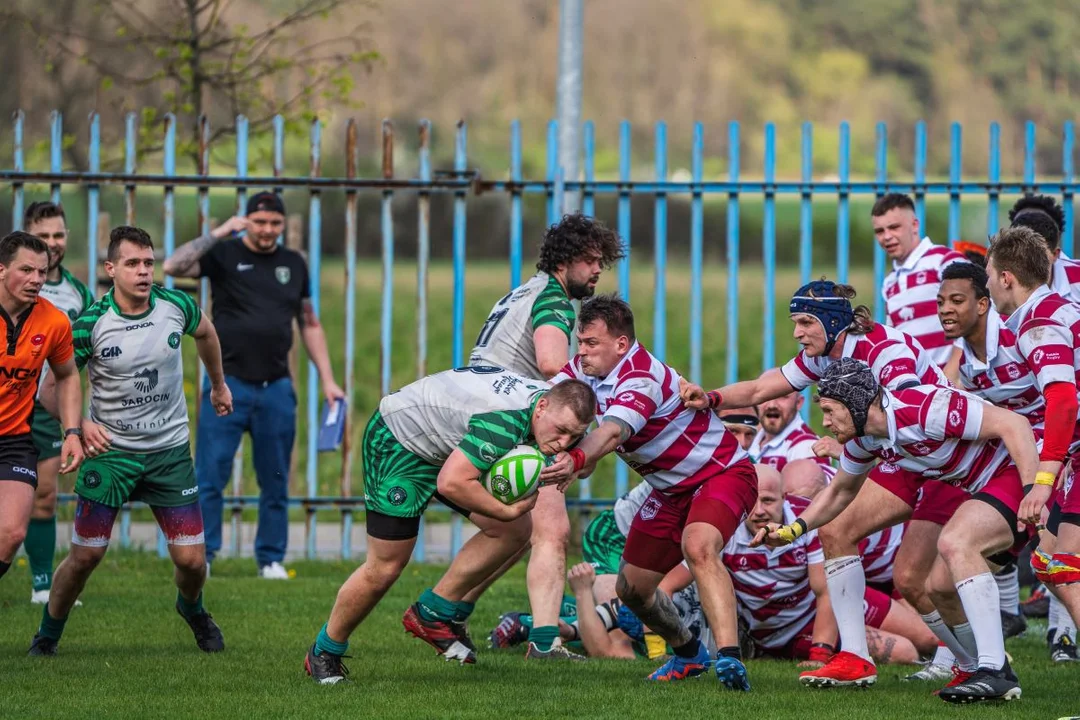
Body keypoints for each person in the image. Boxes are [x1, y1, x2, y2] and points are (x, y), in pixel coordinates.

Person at [754, 358, 1039, 703]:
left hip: (1014, 475)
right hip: (975, 487)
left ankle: (994, 671)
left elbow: (1016, 423)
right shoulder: (865, 439)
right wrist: (790, 531)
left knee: (956, 542)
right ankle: (974, 667)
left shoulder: (923, 408)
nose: (825, 423)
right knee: (933, 586)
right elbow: (840, 492)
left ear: (855, 405)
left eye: (830, 411)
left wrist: (1032, 491)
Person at [303, 369, 595, 684]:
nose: (564, 441)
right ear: (541, 409)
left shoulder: (549, 404)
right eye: (561, 431)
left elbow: (587, 462)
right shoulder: (505, 422)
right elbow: (452, 483)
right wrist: (504, 510)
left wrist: (575, 459)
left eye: (574, 435)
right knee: (385, 567)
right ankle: (324, 651)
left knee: (516, 532)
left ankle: (432, 612)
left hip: (445, 445)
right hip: (399, 442)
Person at [28, 226, 233, 656]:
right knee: (85, 556)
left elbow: (208, 334)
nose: (143, 272)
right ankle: (47, 636)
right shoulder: (90, 323)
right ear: (110, 269)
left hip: (169, 453)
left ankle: (192, 608)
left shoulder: (176, 304)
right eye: (132, 264)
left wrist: (218, 385)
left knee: (193, 563)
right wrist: (80, 425)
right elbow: (51, 388)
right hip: (111, 454)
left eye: (148, 263)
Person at [540, 295, 758, 690]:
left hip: (723, 474)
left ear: (621, 345)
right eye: (580, 341)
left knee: (699, 545)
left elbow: (612, 432)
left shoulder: (642, 376)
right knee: (632, 589)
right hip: (670, 490)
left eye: (592, 343)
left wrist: (574, 459)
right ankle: (689, 653)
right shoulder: (582, 370)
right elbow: (540, 403)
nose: (582, 351)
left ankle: (729, 659)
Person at [464, 213, 623, 659]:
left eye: (601, 263)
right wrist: (586, 420)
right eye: (591, 261)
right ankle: (545, 644)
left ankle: (449, 613)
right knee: (551, 531)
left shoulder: (525, 290)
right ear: (565, 260)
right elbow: (554, 366)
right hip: (508, 421)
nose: (597, 271)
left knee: (514, 532)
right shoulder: (552, 301)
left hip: (484, 413)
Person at [163, 191, 345, 579]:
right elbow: (173, 264)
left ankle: (271, 558)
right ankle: (205, 555)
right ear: (247, 221)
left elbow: (309, 322)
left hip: (276, 387)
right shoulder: (224, 255)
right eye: (259, 222)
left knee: (276, 479)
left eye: (275, 223)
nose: (267, 230)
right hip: (226, 385)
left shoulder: (294, 263)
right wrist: (219, 232)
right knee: (210, 475)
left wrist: (328, 380)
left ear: (282, 225)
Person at [981, 227, 1080, 662]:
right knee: (1052, 560)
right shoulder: (1057, 309)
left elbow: (1062, 400)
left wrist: (1043, 480)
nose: (986, 284)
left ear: (1006, 278)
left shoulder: (1039, 324)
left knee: (1063, 568)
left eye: (987, 275)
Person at [717, 469, 934, 665]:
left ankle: (956, 663)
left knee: (928, 637)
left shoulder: (806, 518)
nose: (759, 511)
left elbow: (827, 591)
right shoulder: (727, 526)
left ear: (784, 497)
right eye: (753, 502)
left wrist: (819, 656)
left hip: (835, 594)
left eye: (768, 500)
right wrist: (819, 653)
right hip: (793, 629)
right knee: (904, 652)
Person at [0, 231, 84, 586]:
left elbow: (66, 377)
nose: (36, 280)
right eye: (26, 270)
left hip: (15, 440)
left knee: (11, 532)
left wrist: (73, 432)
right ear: (1, 270)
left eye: (41, 272)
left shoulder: (54, 321)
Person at [21, 202, 94, 604]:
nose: (52, 243)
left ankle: (41, 583)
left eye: (59, 235)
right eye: (44, 235)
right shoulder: (9, 279)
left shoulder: (76, 294)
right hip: (6, 402)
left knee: (45, 493)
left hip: (44, 410)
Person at [874, 193, 968, 367]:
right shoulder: (889, 283)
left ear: (914, 225)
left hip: (952, 383)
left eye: (894, 227)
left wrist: (953, 373)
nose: (886, 236)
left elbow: (975, 318)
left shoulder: (944, 260)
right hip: (915, 386)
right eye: (880, 231)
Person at [749, 391, 834, 496]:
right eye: (766, 397)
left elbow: (812, 498)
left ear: (799, 403)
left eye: (783, 397)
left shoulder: (807, 445)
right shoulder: (748, 437)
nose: (772, 405)